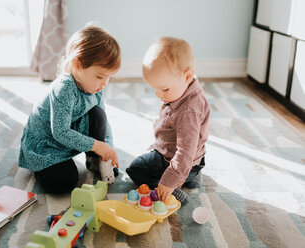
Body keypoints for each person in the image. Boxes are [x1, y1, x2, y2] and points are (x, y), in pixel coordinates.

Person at [19, 23, 120, 194]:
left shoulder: (96, 87)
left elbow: (104, 122)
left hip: (68, 135)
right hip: (46, 145)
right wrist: (96, 145)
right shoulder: (64, 88)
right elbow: (60, 132)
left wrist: (107, 150)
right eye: (100, 76)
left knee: (98, 115)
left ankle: (94, 160)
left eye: (108, 78)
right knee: (64, 183)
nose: (104, 83)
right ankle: (40, 168)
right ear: (77, 65)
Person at [126, 37, 210, 206]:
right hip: (194, 162)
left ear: (187, 76)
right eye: (155, 89)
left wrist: (168, 181)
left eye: (164, 89)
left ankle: (171, 187)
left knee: (134, 169)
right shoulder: (186, 85)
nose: (159, 94)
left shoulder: (189, 111)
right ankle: (187, 177)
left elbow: (185, 151)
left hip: (174, 160)